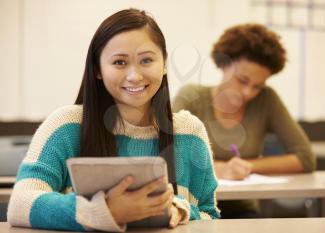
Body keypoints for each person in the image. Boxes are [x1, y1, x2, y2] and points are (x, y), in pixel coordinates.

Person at [7, 9, 220, 232]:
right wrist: (104, 210)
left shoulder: (190, 132)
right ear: (98, 69)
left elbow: (209, 214)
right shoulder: (66, 125)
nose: (134, 76)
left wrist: (179, 210)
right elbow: (20, 205)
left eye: (146, 60)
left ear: (164, 63)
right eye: (119, 62)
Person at [173, 23, 316, 218]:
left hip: (243, 208)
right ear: (223, 64)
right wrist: (218, 169)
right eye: (242, 80)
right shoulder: (191, 96)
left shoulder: (266, 99)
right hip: (192, 209)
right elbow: (167, 152)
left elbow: (305, 158)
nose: (248, 92)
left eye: (258, 86)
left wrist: (247, 166)